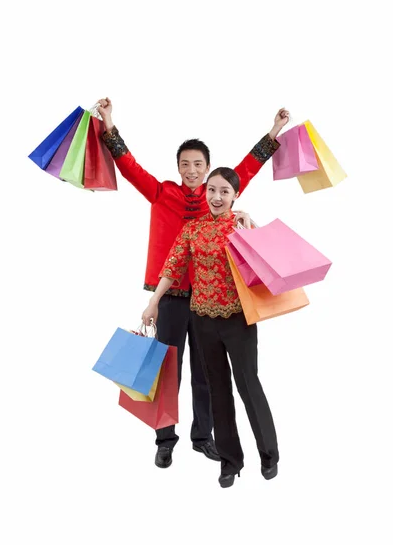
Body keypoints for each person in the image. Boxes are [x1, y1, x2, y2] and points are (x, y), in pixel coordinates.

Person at [98, 97, 288, 469]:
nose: (191, 170)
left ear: (208, 169)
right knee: (166, 371)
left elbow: (245, 171)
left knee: (206, 373)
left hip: (208, 302)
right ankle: (165, 439)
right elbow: (129, 166)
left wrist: (274, 132)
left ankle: (204, 437)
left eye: (198, 164)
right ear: (178, 167)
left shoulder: (218, 198)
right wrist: (108, 121)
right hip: (168, 299)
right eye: (185, 164)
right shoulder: (161, 192)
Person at [142, 167, 279, 488]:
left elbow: (268, 262)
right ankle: (230, 462)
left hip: (237, 320)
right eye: (212, 190)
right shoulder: (192, 229)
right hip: (203, 320)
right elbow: (172, 265)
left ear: (235, 196)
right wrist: (153, 302)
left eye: (224, 192)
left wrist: (252, 229)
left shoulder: (241, 225)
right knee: (218, 391)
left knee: (249, 385)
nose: (217, 197)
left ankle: (269, 453)